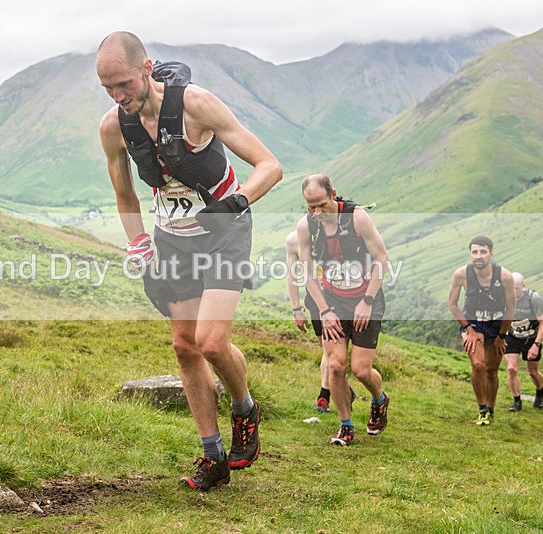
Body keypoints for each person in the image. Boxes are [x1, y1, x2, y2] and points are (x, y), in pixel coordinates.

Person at [96, 32, 282, 491]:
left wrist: (238, 201)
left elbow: (269, 165)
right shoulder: (114, 126)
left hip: (224, 229)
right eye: (108, 90)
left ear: (146, 68)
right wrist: (139, 242)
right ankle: (212, 455)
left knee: (213, 342)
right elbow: (124, 193)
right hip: (173, 238)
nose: (120, 97)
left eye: (124, 84)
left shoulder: (196, 105)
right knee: (184, 346)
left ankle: (244, 409)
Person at [295, 174, 390, 446]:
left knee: (361, 370)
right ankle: (345, 426)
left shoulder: (357, 217)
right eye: (310, 207)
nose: (316, 212)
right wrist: (324, 311)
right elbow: (308, 273)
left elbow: (382, 258)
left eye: (321, 205)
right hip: (332, 301)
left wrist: (368, 301)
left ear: (333, 194)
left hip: (365, 298)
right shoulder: (307, 227)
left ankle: (379, 399)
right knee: (336, 366)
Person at [447, 235, 516, 426]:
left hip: (497, 324)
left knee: (492, 370)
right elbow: (452, 304)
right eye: (475, 252)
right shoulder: (461, 274)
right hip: (473, 322)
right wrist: (468, 329)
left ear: (491, 254)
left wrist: (502, 336)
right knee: (478, 364)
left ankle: (491, 408)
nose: (479, 256)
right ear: (470, 254)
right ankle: (482, 409)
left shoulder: (505, 277)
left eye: (483, 252)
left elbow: (510, 309)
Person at [285, 230, 355, 414]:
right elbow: (292, 276)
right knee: (327, 349)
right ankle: (344, 391)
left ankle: (324, 396)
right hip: (315, 301)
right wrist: (296, 309)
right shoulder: (294, 240)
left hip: (340, 297)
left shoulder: (338, 234)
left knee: (332, 352)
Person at [504, 272, 543, 411]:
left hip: (531, 338)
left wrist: (536, 344)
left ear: (523, 287)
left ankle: (540, 391)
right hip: (512, 336)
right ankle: (517, 401)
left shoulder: (533, 298)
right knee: (512, 368)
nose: (512, 291)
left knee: (532, 372)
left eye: (515, 288)